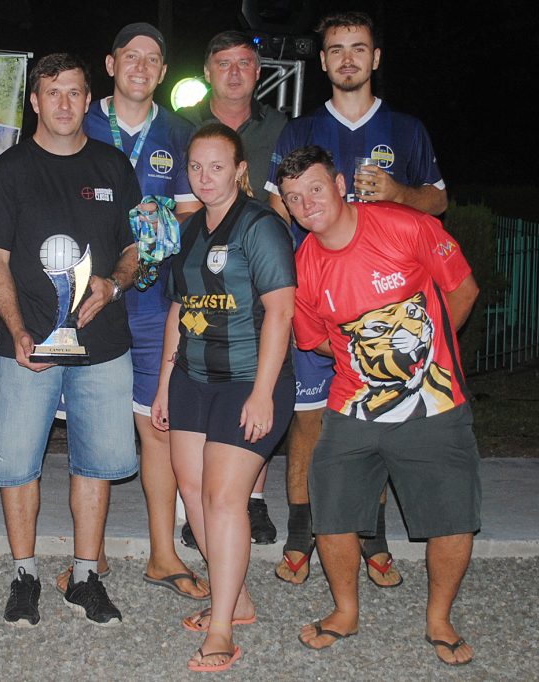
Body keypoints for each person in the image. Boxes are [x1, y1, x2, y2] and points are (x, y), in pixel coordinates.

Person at [266, 11, 449, 587]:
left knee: (376, 419)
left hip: (383, 306)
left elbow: (439, 202)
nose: (348, 58)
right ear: (322, 61)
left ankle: (372, 535)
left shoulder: (406, 129)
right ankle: (301, 532)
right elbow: (276, 206)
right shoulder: (299, 130)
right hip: (317, 299)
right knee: (308, 421)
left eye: (359, 48)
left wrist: (399, 194)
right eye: (337, 49)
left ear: (376, 58)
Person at [278, 145, 479, 665]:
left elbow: (463, 290)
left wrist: (426, 354)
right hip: (352, 409)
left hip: (435, 404)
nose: (307, 204)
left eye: (315, 189)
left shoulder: (404, 226)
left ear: (340, 185)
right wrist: (371, 357)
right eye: (294, 198)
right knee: (332, 514)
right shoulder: (303, 267)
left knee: (453, 518)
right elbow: (315, 340)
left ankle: (439, 619)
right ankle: (345, 611)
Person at [0, 53, 140, 627]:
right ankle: (24, 575)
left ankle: (85, 576)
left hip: (103, 344)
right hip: (28, 347)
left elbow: (135, 248)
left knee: (96, 463)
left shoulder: (113, 165)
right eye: (53, 92)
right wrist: (17, 330)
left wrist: (115, 284)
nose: (65, 103)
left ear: (88, 98)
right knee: (18, 465)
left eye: (74, 92)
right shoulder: (10, 170)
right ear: (34, 101)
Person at [151, 123, 296, 672]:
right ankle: (239, 599)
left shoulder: (261, 226)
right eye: (195, 167)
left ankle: (221, 630)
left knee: (223, 499)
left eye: (217, 166)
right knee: (192, 491)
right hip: (192, 377)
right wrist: (164, 384)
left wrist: (262, 393)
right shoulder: (188, 229)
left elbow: (280, 311)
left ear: (240, 170)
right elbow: (178, 309)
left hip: (247, 378)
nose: (204, 177)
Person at [74, 21, 209, 600]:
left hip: (153, 300)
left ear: (162, 72)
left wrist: (160, 223)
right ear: (111, 64)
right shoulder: (78, 118)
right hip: (85, 295)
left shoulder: (178, 131)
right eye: (131, 56)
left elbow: (193, 208)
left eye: (153, 59)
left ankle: (161, 552)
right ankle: (91, 553)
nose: (141, 67)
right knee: (91, 423)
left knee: (157, 426)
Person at [178, 29, 292, 546]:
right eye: (222, 63)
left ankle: (253, 499)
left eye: (244, 63)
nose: (233, 72)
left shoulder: (281, 127)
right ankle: (213, 507)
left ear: (258, 72)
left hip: (259, 270)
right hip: (200, 269)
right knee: (205, 384)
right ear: (207, 72)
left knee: (252, 378)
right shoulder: (182, 123)